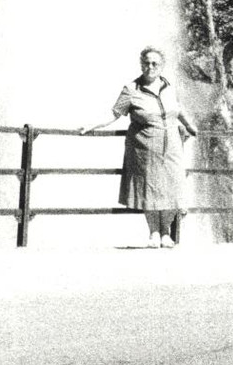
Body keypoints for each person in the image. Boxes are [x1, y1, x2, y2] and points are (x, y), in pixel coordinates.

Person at [80, 46, 197, 248]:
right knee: (150, 188)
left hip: (172, 147)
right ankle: (154, 232)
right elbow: (114, 113)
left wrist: (190, 126)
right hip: (145, 148)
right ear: (141, 64)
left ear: (162, 66)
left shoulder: (170, 87)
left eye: (155, 63)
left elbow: (178, 110)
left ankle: (166, 232)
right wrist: (92, 125)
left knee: (173, 186)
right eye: (146, 63)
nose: (150, 67)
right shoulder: (131, 89)